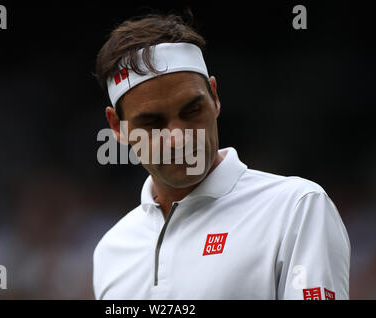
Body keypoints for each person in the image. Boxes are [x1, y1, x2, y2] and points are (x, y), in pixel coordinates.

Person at [92, 12, 350, 300]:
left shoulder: (296, 208)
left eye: (192, 110)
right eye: (153, 123)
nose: (178, 137)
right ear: (118, 127)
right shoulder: (110, 250)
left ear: (214, 97)